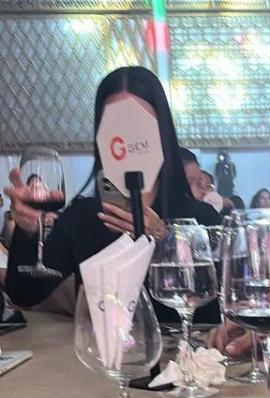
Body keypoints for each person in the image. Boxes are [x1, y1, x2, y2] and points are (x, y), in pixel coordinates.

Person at [5, 67, 220, 315]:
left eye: (139, 124)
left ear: (162, 132)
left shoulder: (200, 218)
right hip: (99, 341)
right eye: (115, 123)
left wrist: (163, 238)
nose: (128, 137)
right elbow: (24, 293)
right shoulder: (83, 217)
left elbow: (214, 309)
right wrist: (28, 231)